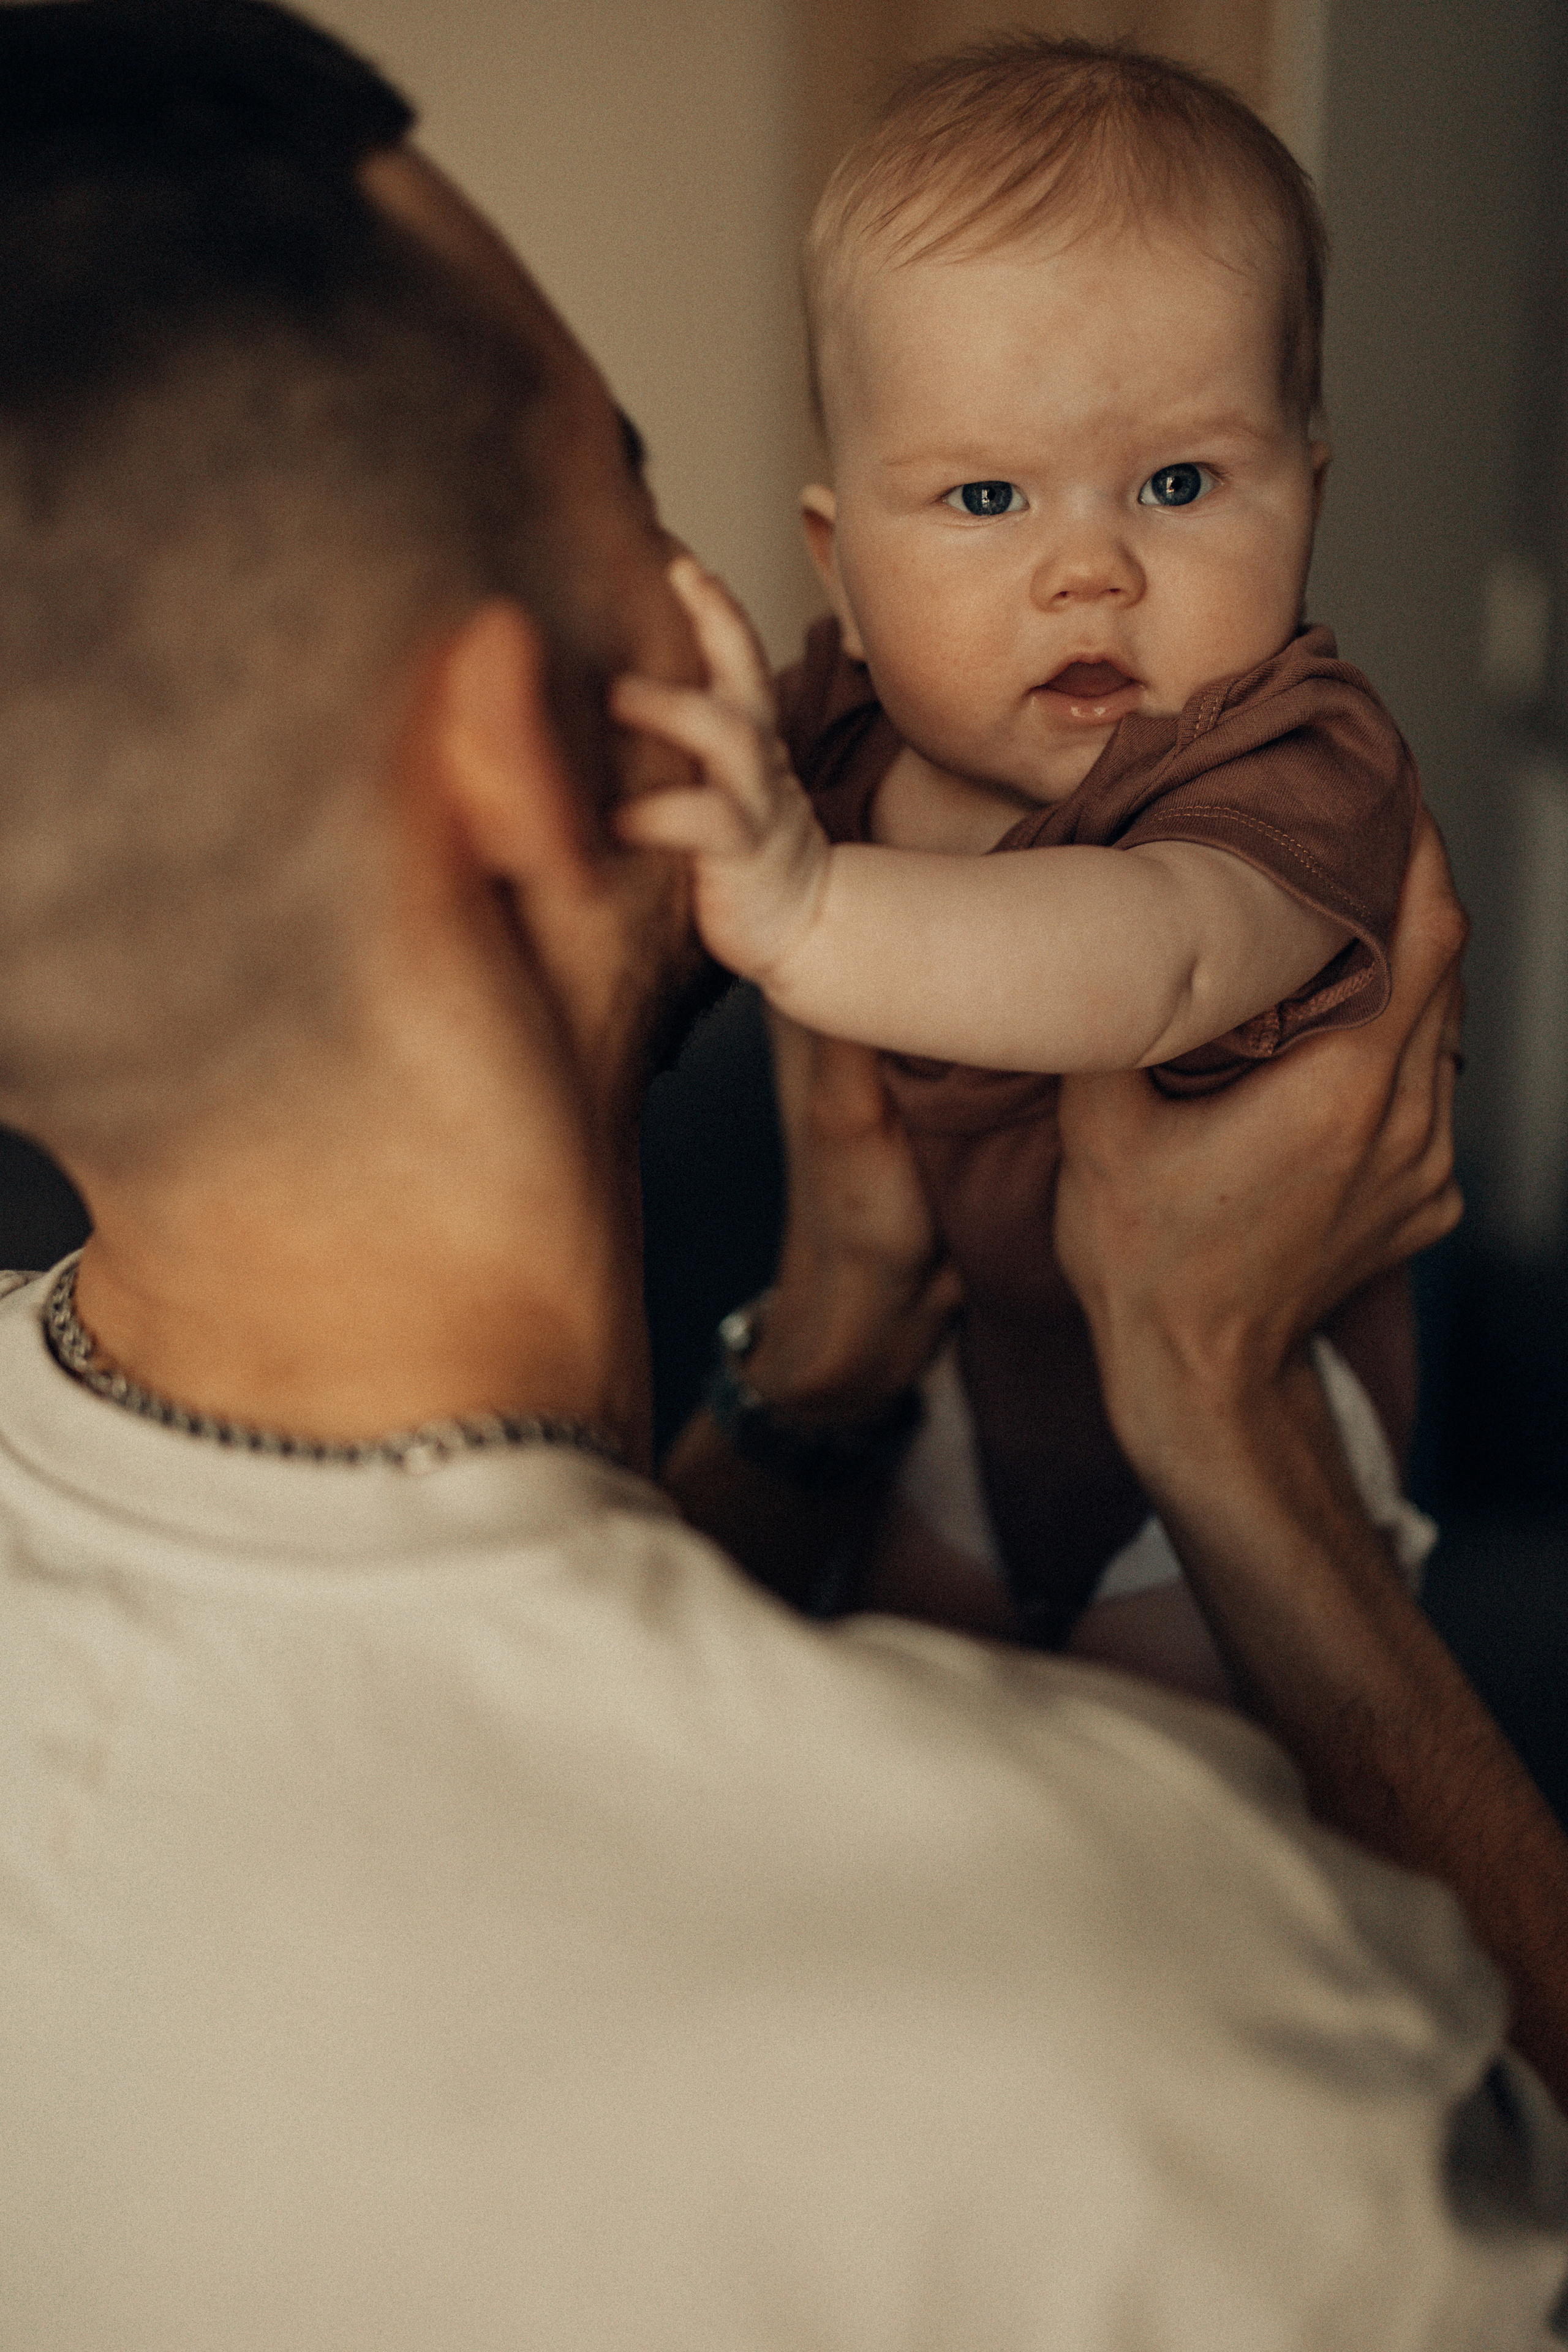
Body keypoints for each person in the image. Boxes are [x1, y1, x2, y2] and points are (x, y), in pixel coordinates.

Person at [1, 7, 1566, 2347]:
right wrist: (1221, 1424)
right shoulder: (1132, 2031)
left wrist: (827, 1354)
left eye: (1173, 487)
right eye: (634, 509)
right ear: (525, 760)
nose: (727, 594)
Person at [616, 36, 1428, 1688]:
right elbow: (637, 926)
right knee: (933, 1739)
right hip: (959, 1400)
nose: (1089, 571)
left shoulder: (1286, 753)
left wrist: (810, 907)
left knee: (1181, 1812)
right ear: (842, 560)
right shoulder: (831, 735)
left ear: (1309, 500)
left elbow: (1160, 955)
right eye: (987, 495)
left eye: (1182, 484)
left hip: (1258, 1418)